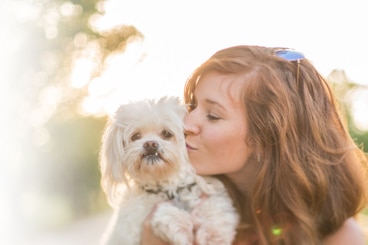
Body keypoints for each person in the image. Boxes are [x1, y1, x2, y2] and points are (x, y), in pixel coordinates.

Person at [140, 45, 368, 244]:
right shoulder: (172, 215)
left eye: (213, 116)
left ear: (267, 138)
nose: (186, 123)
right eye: (192, 105)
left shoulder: (335, 236)